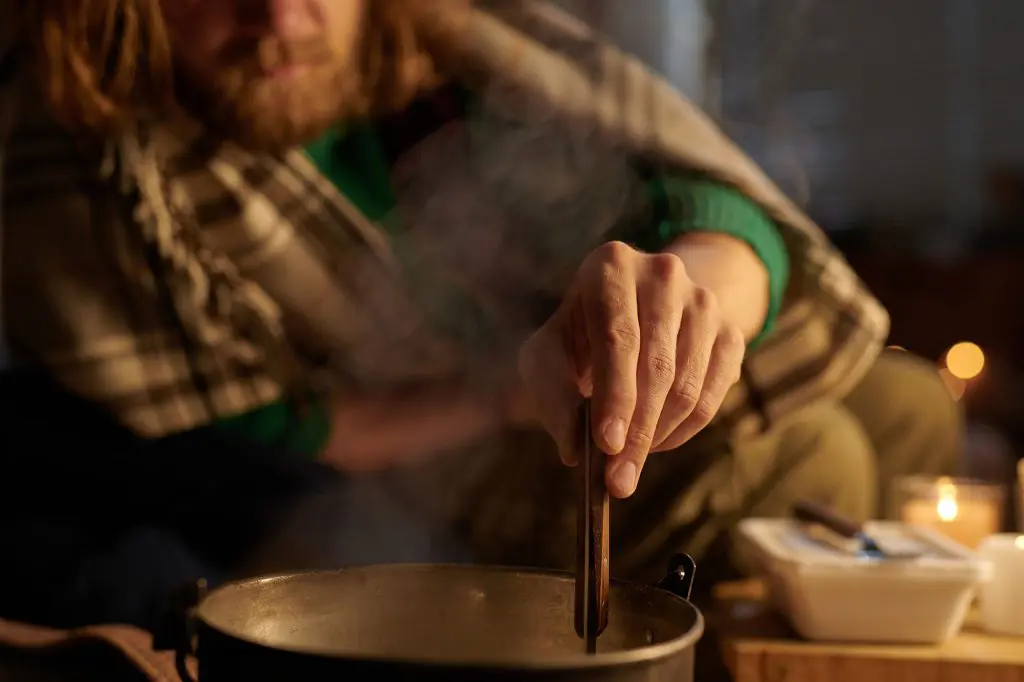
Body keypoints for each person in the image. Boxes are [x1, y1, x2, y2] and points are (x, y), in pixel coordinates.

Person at [0, 0, 889, 631]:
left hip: (547, 387)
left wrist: (695, 286)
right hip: (391, 480)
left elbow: (690, 193)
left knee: (902, 401)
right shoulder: (94, 164)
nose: (277, 18)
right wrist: (506, 392)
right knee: (824, 452)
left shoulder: (446, 48)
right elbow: (268, 429)